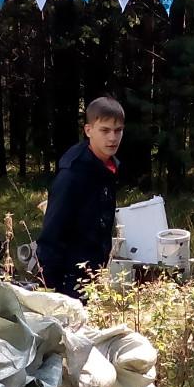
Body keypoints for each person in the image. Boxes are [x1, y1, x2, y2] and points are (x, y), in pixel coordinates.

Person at [37, 95, 125, 300]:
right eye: (104, 130)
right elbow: (51, 234)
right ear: (88, 130)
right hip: (68, 280)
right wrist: (52, 290)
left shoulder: (107, 167)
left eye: (118, 130)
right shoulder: (72, 175)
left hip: (93, 273)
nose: (112, 138)